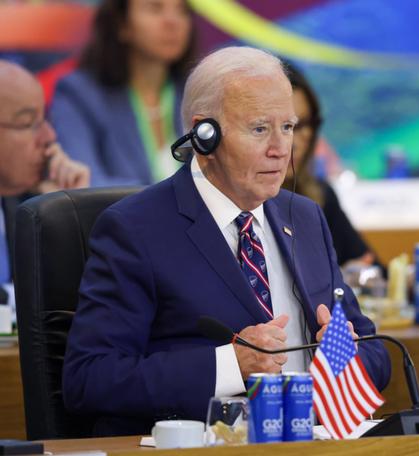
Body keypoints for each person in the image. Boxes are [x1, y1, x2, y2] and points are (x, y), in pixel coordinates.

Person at [62, 47, 391, 436]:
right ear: (205, 135)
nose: (281, 148)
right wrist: (232, 365)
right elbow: (90, 379)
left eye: (287, 127)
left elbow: (377, 353)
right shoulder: (134, 229)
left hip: (310, 440)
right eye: (259, 129)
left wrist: (343, 354)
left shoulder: (304, 216)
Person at [49, 0, 196, 187]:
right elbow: (85, 186)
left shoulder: (196, 92)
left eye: (181, 10)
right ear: (121, 24)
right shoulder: (77, 94)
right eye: (154, 8)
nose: (172, 21)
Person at [0, 60, 90, 318]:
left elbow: (78, 304)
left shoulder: (25, 201)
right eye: (29, 123)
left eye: (45, 119)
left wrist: (66, 211)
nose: (49, 136)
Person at [284, 64, 377, 267]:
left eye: (310, 123)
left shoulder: (320, 195)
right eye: (289, 126)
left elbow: (368, 264)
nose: (306, 136)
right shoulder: (240, 210)